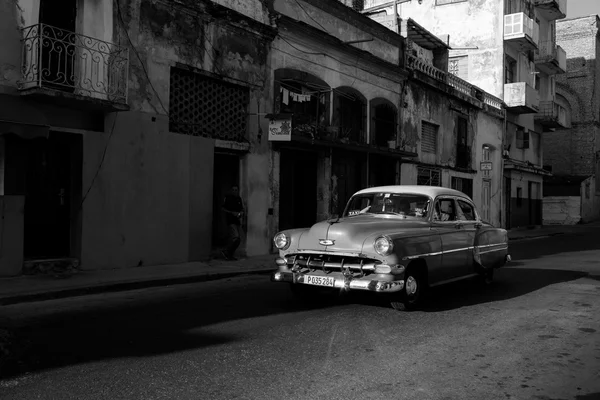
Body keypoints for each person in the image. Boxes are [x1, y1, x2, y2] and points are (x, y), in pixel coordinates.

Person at [221, 185, 244, 261]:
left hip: (237, 221)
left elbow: (241, 209)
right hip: (230, 221)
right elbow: (223, 208)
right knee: (236, 237)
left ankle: (229, 254)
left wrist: (240, 213)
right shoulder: (228, 198)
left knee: (237, 240)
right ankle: (226, 251)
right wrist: (231, 213)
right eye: (233, 190)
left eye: (236, 190)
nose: (234, 191)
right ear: (231, 190)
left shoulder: (239, 199)